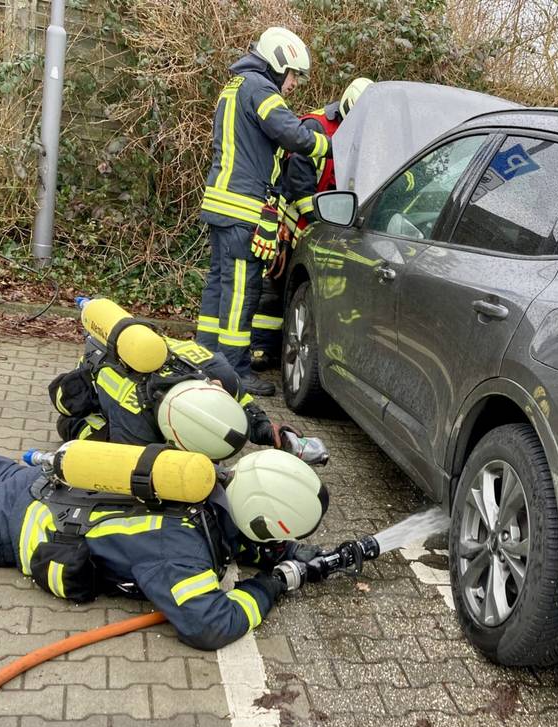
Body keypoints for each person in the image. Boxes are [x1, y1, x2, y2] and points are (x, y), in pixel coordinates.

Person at [0, 445, 326, 651]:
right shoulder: (181, 550)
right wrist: (271, 585)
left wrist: (283, 553)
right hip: (12, 522)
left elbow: (234, 532)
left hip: (41, 482)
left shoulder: (202, 481)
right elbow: (210, 624)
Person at [196, 27, 332, 396]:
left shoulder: (236, 86)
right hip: (242, 209)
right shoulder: (260, 88)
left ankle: (205, 359)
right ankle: (234, 373)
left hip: (221, 204)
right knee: (242, 291)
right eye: (293, 76)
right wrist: (331, 146)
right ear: (277, 64)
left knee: (218, 288)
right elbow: (292, 134)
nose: (293, 85)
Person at [49, 331, 329, 464]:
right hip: (93, 386)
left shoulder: (221, 373)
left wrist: (268, 431)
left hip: (149, 358)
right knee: (90, 439)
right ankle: (73, 422)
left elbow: (243, 405)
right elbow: (142, 470)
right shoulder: (134, 417)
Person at [250, 77, 373, 371]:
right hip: (296, 221)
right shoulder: (316, 127)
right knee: (275, 287)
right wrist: (317, 221)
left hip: (329, 225)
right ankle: (261, 348)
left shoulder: (363, 136)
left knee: (301, 290)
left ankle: (287, 349)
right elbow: (298, 186)